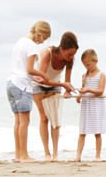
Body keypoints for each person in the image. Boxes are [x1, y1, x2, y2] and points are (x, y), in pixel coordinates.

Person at [7, 21, 51, 162]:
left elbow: (23, 68)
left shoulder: (20, 42)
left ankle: (18, 155)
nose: (42, 42)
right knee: (25, 121)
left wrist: (35, 76)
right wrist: (44, 75)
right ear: (40, 34)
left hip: (11, 83)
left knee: (18, 121)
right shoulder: (31, 46)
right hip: (22, 85)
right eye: (44, 38)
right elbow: (29, 69)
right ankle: (24, 155)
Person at [33, 31, 79, 161]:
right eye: (69, 54)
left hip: (55, 85)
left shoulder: (70, 61)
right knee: (44, 118)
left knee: (55, 120)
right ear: (62, 49)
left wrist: (68, 91)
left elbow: (67, 81)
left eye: (73, 55)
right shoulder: (48, 53)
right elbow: (42, 78)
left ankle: (55, 154)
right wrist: (64, 85)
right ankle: (47, 153)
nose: (71, 57)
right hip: (38, 84)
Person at [76, 49, 106, 162]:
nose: (86, 67)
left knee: (97, 132)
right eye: (84, 65)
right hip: (86, 105)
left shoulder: (101, 75)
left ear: (95, 61)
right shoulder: (85, 75)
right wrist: (80, 95)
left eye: (88, 64)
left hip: (96, 106)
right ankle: (78, 155)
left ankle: (97, 155)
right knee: (82, 131)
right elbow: (83, 89)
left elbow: (101, 91)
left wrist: (89, 90)